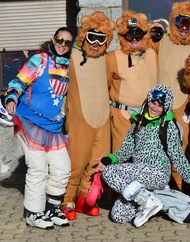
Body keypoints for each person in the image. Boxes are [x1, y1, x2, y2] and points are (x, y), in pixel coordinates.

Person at [93, 84, 190, 228]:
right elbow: (126, 149)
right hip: (139, 176)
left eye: (160, 106)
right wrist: (108, 159)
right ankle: (153, 198)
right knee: (118, 215)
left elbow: (178, 156)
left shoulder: (168, 126)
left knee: (110, 172)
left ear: (165, 108)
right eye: (153, 103)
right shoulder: (138, 122)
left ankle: (150, 201)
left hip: (157, 172)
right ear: (148, 101)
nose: (155, 108)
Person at [3, 27, 74, 229]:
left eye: (68, 42)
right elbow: (19, 81)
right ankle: (34, 213)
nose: (63, 44)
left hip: (53, 126)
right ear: (54, 39)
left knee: (62, 169)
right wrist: (12, 98)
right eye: (60, 40)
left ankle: (51, 208)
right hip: (30, 121)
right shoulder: (40, 60)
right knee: (38, 168)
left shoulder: (69, 65)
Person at [61, 11, 115, 220]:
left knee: (96, 163)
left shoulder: (106, 59)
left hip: (102, 119)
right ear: (84, 36)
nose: (95, 43)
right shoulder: (72, 56)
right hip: (79, 120)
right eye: (91, 37)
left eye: (101, 39)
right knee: (76, 161)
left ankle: (85, 199)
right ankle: (67, 198)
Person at [150, 1, 190, 192]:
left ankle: (180, 188)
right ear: (174, 22)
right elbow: (142, 45)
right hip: (159, 105)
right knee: (158, 147)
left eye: (189, 24)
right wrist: (152, 30)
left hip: (182, 106)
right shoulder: (164, 41)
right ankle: (160, 186)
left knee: (181, 148)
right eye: (181, 22)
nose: (183, 28)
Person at [106, 10, 157, 152]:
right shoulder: (112, 57)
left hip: (148, 115)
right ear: (123, 36)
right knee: (121, 155)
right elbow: (104, 86)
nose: (134, 39)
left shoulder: (152, 54)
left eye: (138, 34)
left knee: (146, 156)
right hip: (122, 115)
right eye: (130, 35)